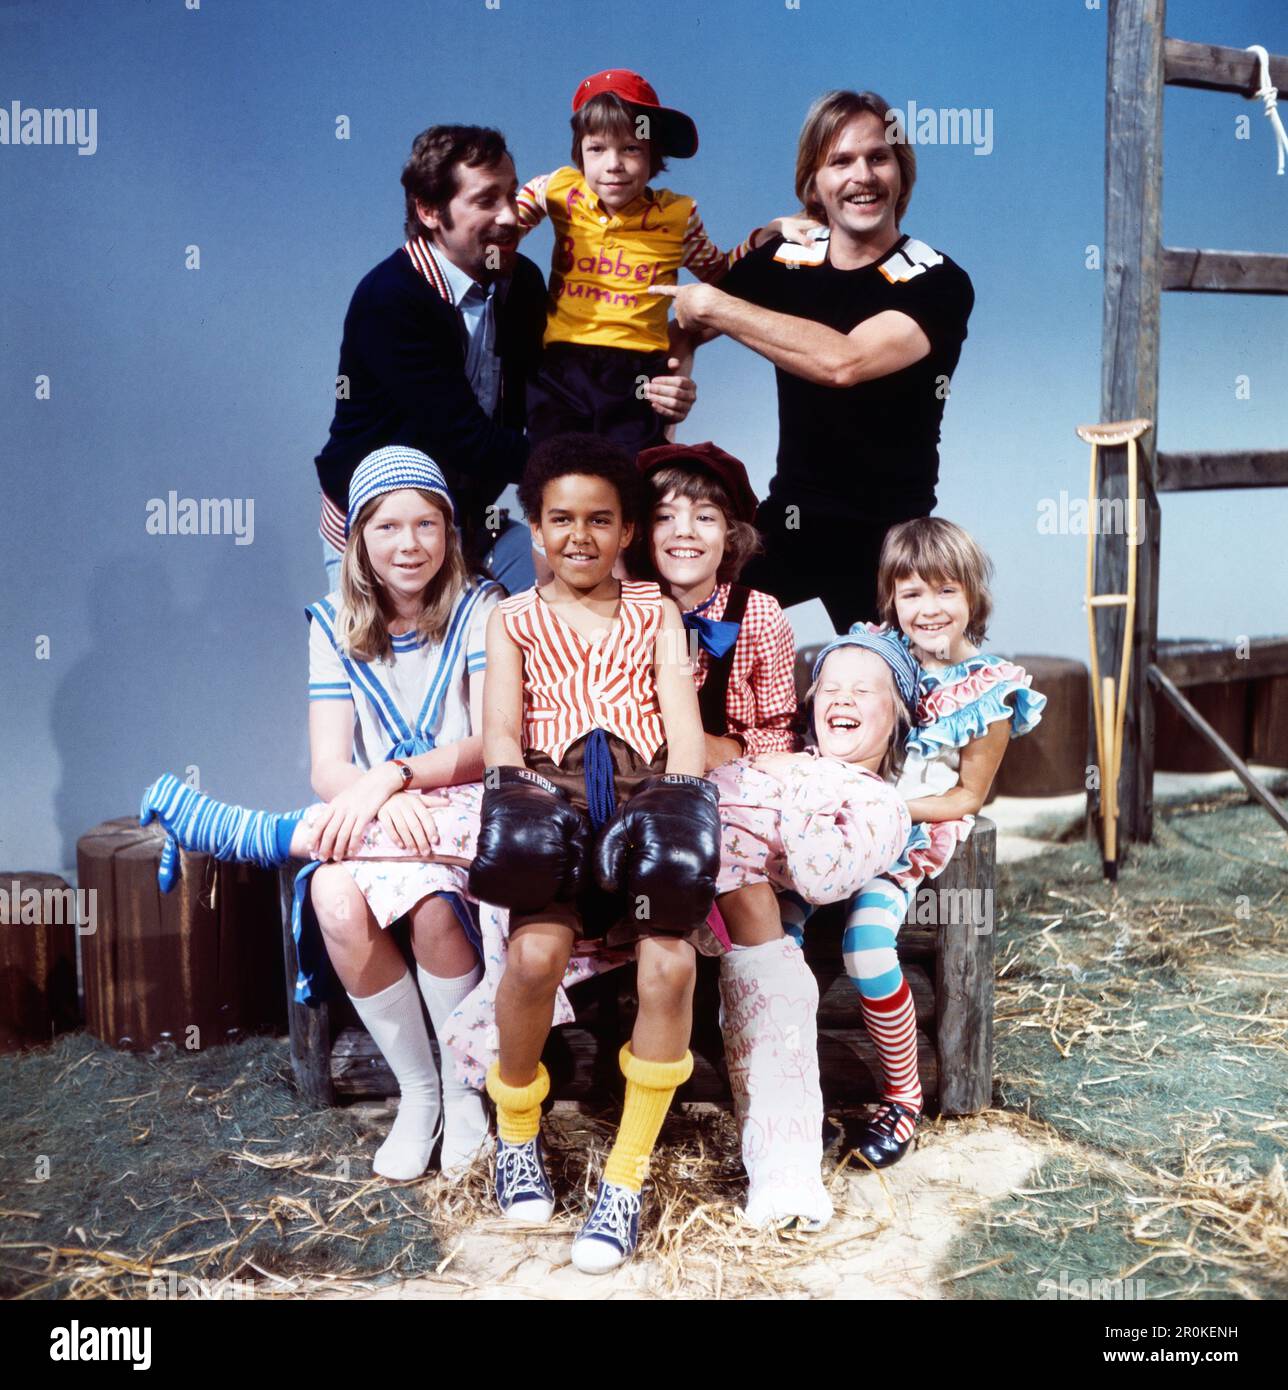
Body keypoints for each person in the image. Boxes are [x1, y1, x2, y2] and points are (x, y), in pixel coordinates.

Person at [141, 446, 501, 1182]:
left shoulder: (481, 608)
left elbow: (492, 745)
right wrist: (380, 792)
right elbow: (329, 767)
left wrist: (393, 780)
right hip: (376, 812)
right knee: (334, 897)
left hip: (461, 811)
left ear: (450, 531)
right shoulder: (333, 621)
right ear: (358, 539)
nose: (410, 545)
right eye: (388, 527)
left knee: (433, 903)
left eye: (427, 525)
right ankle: (421, 1094)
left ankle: (466, 1095)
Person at [655, 89, 975, 629]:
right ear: (814, 184)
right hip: (792, 519)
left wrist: (712, 302)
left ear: (902, 172)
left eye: (878, 157)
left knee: (894, 698)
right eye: (840, 161)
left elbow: (842, 363)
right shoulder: (785, 262)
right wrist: (673, 391)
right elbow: (685, 324)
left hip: (890, 537)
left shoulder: (939, 281)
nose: (862, 176)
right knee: (701, 639)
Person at [790, 518, 1046, 1169]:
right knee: (776, 941)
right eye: (911, 594)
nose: (928, 609)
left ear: (972, 596)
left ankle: (902, 1096)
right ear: (890, 599)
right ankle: (787, 1090)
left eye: (945, 591)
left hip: (902, 835)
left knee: (867, 947)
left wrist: (887, 804)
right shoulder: (872, 651)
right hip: (830, 825)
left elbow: (967, 797)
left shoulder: (988, 689)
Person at [516, 69, 813, 455]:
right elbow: (505, 225)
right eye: (597, 149)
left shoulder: (677, 215)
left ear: (653, 155)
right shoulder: (556, 189)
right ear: (580, 154)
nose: (613, 164)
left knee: (630, 479)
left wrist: (767, 233)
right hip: (561, 365)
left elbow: (720, 273)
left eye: (631, 149)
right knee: (552, 470)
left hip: (637, 372)